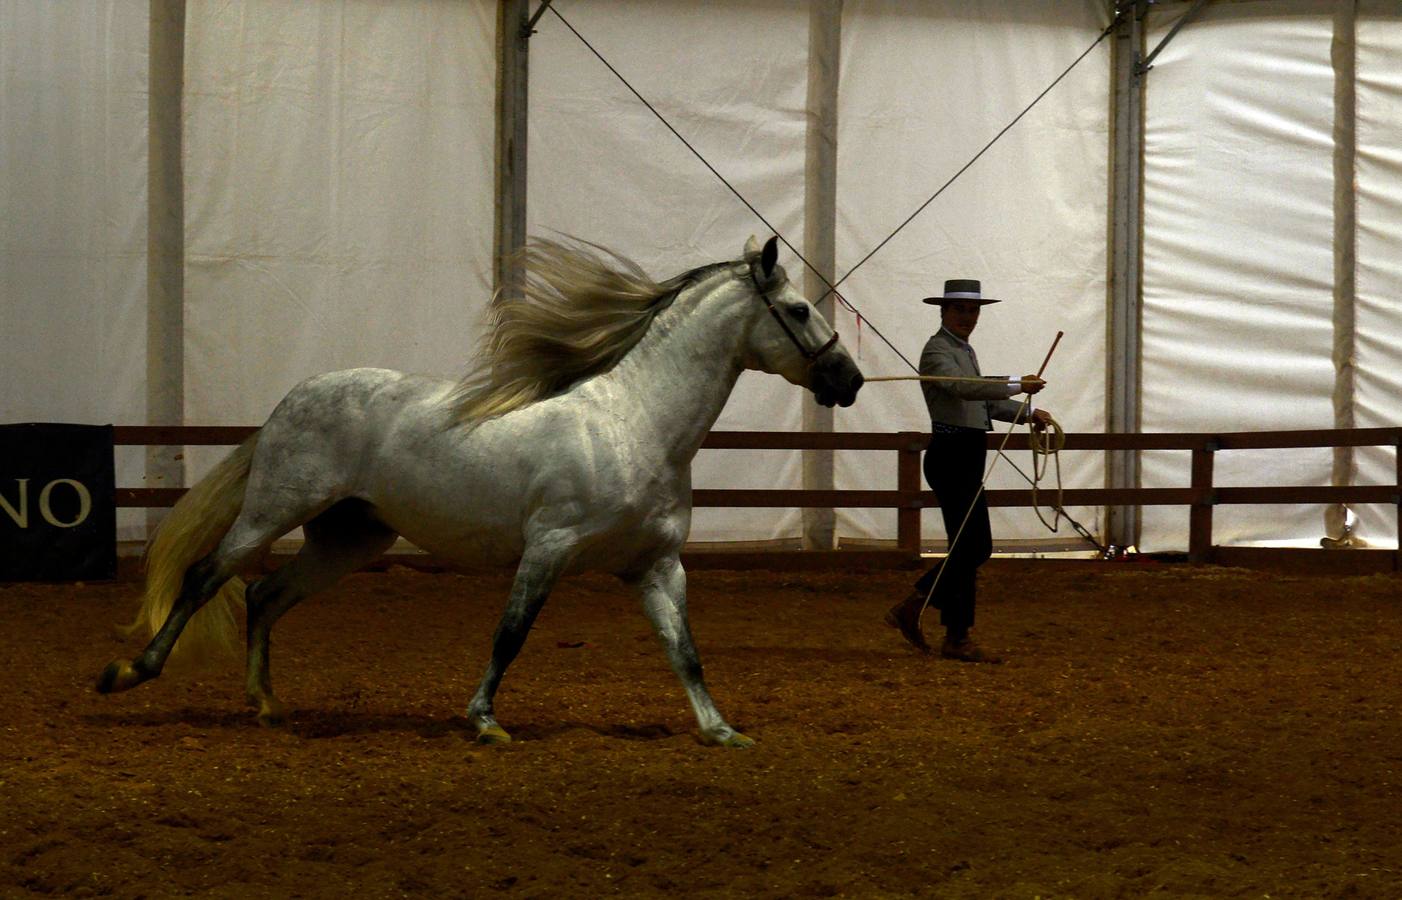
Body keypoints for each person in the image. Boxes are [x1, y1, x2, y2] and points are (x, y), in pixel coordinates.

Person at [884, 279, 1053, 662]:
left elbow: (981, 402)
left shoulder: (963, 351)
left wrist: (1026, 414)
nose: (967, 317)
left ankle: (926, 612)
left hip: (966, 454)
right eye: (960, 310)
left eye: (972, 310)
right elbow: (964, 389)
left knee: (971, 547)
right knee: (972, 546)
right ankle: (949, 631)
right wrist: (1015, 383)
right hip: (952, 454)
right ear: (943, 311)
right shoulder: (936, 352)